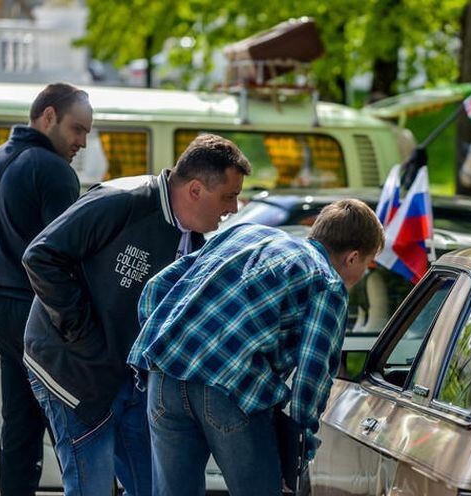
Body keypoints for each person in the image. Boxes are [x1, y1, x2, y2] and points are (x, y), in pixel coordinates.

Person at [22, 134, 251, 495]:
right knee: (91, 487)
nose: (234, 208)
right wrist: (86, 339)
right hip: (72, 369)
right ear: (195, 190)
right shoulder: (120, 200)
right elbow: (40, 256)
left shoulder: (194, 238)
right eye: (228, 196)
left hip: (129, 377)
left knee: (154, 487)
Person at [128, 199, 385, 496]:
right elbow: (312, 377)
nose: (362, 275)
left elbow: (157, 287)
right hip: (232, 387)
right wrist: (297, 448)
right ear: (353, 258)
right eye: (367, 265)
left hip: (165, 374)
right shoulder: (326, 281)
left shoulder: (243, 234)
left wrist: (159, 343)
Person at [0, 82, 92, 496]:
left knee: (19, 423)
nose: (82, 143)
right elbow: (66, 257)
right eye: (78, 129)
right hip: (44, 313)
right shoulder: (53, 171)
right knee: (75, 425)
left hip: (2, 308)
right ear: (48, 116)